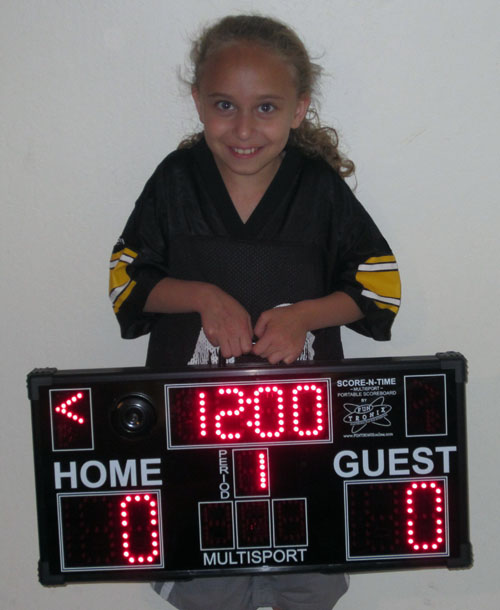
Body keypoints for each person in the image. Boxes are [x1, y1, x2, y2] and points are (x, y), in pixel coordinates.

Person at [109, 13, 401, 610]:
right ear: (197, 102)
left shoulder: (318, 189)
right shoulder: (175, 182)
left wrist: (307, 316)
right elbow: (125, 282)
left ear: (298, 108)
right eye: (224, 105)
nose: (244, 128)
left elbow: (379, 288)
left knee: (307, 575)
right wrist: (199, 296)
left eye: (266, 108)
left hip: (301, 434)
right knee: (206, 585)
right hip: (194, 436)